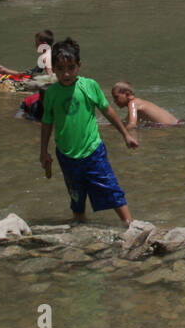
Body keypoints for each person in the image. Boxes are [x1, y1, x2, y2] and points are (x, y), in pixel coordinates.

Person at [39, 38, 138, 226]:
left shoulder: (89, 86)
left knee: (109, 187)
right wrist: (43, 151)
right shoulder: (51, 93)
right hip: (66, 154)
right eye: (60, 69)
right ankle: (79, 223)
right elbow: (47, 122)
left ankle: (129, 223)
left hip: (93, 151)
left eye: (71, 67)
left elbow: (107, 110)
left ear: (79, 66)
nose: (66, 73)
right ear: (53, 68)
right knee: (76, 194)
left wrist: (125, 134)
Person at [111, 82, 181, 127]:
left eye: (116, 97)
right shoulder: (138, 102)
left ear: (127, 94)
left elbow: (132, 125)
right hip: (177, 123)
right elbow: (125, 123)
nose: (114, 101)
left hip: (170, 127)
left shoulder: (133, 103)